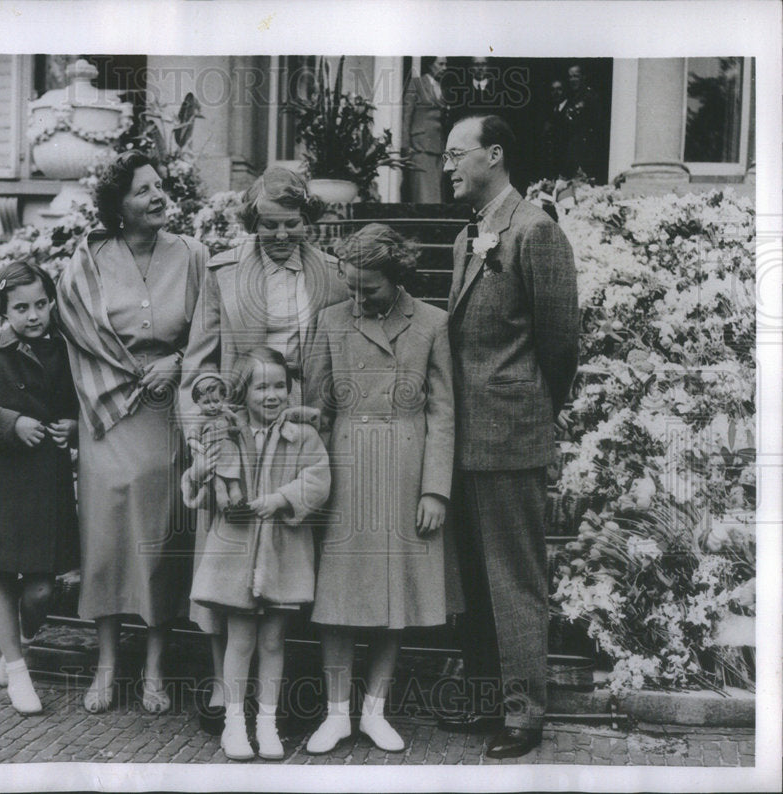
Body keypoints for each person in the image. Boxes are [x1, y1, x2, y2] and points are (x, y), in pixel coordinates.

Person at [180, 166, 346, 731]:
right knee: (229, 550)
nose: (279, 235)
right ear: (253, 223)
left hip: (300, 429)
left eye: (291, 224)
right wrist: (209, 424)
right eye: (268, 225)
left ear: (309, 223)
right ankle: (223, 694)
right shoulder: (224, 271)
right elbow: (200, 361)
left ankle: (278, 694)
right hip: (239, 429)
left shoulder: (333, 275)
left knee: (289, 552)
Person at [440, 115, 579, 758]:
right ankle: (487, 700)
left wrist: (529, 409)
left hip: (511, 435)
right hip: (464, 439)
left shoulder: (536, 232)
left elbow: (560, 344)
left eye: (456, 154)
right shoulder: (469, 235)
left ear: (494, 155)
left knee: (514, 577)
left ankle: (525, 714)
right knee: (473, 576)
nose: (446, 166)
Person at [55, 150, 209, 715]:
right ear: (118, 205)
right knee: (107, 543)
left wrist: (178, 361)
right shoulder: (90, 259)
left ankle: (154, 669)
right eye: (145, 190)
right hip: (108, 415)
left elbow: (208, 331)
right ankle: (106, 664)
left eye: (161, 186)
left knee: (160, 542)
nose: (159, 196)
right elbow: (76, 331)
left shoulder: (192, 254)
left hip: (168, 414)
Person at [304, 223, 462, 754]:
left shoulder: (433, 324)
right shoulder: (329, 321)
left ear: (396, 278)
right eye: (349, 285)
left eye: (367, 287)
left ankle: (375, 709)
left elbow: (443, 414)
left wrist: (435, 490)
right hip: (345, 473)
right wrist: (309, 481)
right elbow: (317, 409)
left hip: (404, 473)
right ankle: (334, 713)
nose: (356, 297)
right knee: (339, 597)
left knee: (396, 596)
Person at [185, 347, 331, 761]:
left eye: (280, 385)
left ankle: (267, 724)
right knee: (240, 640)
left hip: (282, 554)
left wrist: (283, 499)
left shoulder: (301, 435)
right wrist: (199, 473)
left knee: (273, 641)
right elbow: (198, 477)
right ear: (243, 392)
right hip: (236, 554)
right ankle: (235, 723)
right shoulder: (225, 432)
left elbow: (318, 479)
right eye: (262, 386)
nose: (273, 395)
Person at [0, 261, 79, 715]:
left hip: (45, 483)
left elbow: (73, 405)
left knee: (42, 589)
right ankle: (19, 674)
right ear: (3, 310)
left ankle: (16, 646)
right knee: (2, 576)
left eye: (41, 304)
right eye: (21, 307)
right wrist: (11, 422)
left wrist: (72, 427)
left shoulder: (63, 351)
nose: (33, 315)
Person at [186, 372, 245, 511]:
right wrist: (198, 446)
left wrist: (235, 429)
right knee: (219, 486)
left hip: (230, 454)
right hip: (213, 455)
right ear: (197, 402)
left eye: (216, 401)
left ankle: (239, 507)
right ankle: (226, 510)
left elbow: (238, 420)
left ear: (223, 398)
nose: (212, 406)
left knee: (234, 484)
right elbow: (191, 437)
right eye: (206, 402)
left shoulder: (226, 413)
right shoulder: (200, 420)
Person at [401, 56, 449, 203]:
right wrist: (405, 144)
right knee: (423, 194)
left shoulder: (442, 87)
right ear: (430, 65)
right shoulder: (417, 83)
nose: (444, 68)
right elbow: (407, 115)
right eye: (440, 64)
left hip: (437, 147)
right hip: (420, 147)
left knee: (436, 194)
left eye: (445, 64)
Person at [560, 64, 601, 179]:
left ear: (583, 77)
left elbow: (596, 125)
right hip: (572, 150)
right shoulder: (571, 99)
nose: (572, 80)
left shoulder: (590, 97)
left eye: (576, 76)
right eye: (570, 77)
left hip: (586, 150)